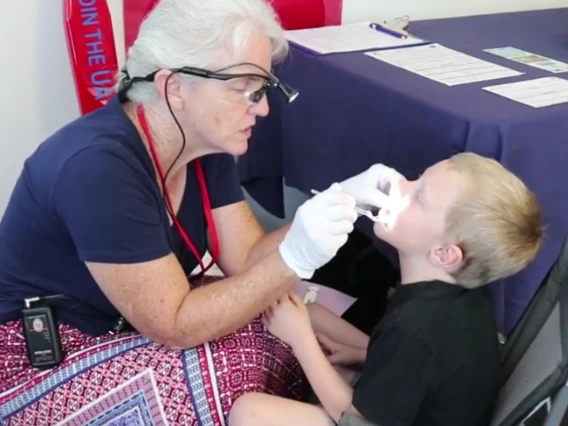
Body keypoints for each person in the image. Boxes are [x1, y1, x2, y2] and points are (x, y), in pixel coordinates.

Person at [0, 0, 402, 424]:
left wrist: (341, 202)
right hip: (40, 352)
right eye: (245, 86)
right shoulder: (97, 167)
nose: (262, 108)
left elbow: (247, 262)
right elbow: (174, 324)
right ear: (174, 88)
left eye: (262, 87)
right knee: (232, 376)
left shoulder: (201, 141)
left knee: (283, 324)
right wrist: (295, 256)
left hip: (127, 323)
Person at [229, 152, 544, 426]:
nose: (400, 186)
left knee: (250, 413)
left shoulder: (416, 329)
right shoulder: (458, 294)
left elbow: (356, 419)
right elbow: (426, 367)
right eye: (416, 179)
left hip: (371, 419)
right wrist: (359, 355)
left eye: (419, 197)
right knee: (312, 315)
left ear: (444, 254)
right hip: (419, 400)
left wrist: (299, 340)